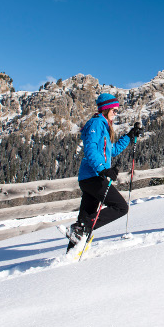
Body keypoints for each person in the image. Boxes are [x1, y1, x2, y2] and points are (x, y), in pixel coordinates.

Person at [66, 93, 142, 250]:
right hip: (93, 176)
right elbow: (90, 149)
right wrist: (103, 169)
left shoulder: (105, 127)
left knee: (87, 216)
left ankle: (72, 251)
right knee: (121, 207)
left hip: (90, 178)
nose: (116, 113)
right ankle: (80, 227)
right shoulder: (96, 124)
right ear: (106, 109)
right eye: (114, 110)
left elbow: (111, 151)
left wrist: (128, 136)